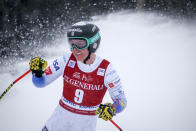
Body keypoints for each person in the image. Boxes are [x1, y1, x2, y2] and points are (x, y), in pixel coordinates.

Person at [29, 22, 127, 131]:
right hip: (56, 125)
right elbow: (40, 83)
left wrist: (112, 109)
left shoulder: (106, 69)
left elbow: (121, 101)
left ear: (93, 44)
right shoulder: (67, 59)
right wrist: (37, 73)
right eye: (72, 43)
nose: (75, 49)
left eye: (80, 44)